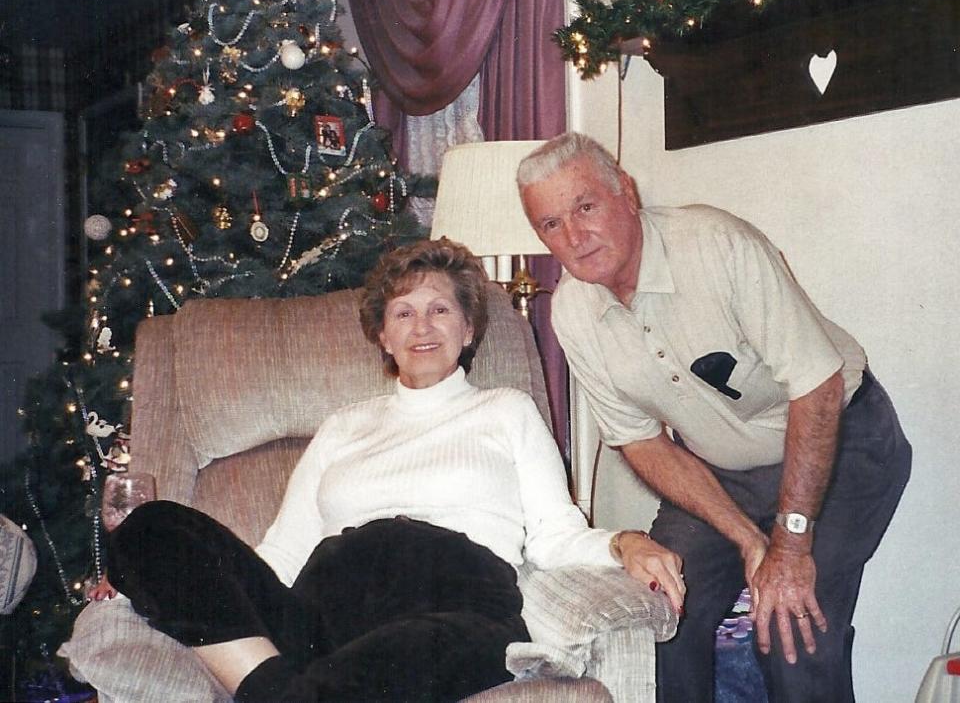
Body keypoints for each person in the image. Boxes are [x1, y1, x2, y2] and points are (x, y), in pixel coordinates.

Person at [95, 238, 685, 702]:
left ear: (468, 328)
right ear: (382, 334)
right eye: (403, 312)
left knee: (380, 669)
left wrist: (626, 542)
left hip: (450, 604)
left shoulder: (505, 410)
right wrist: (157, 579)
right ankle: (280, 691)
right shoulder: (344, 425)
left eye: (439, 310)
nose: (421, 327)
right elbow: (283, 550)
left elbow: (555, 533)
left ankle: (275, 693)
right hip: (320, 610)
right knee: (148, 526)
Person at [516, 133, 911, 703]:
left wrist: (789, 545)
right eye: (551, 225)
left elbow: (817, 391)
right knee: (661, 615)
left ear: (625, 192)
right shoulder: (573, 311)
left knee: (789, 629)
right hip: (721, 470)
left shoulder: (718, 245)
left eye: (585, 206)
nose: (575, 237)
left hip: (841, 439)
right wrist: (748, 539)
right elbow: (642, 443)